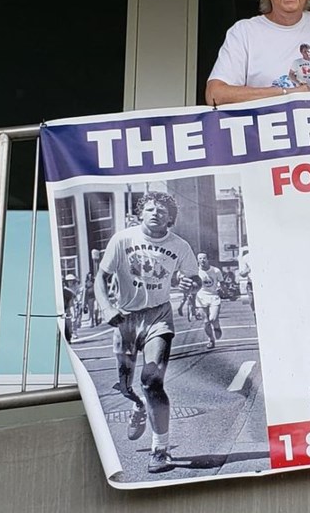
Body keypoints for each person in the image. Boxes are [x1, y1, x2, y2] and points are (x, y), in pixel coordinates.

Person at [94, 191, 201, 474]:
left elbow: (194, 278)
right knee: (128, 385)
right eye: (150, 209)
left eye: (162, 211)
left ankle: (159, 449)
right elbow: (100, 279)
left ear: (170, 219)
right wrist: (106, 308)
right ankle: (138, 405)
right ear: (141, 213)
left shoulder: (180, 246)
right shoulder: (122, 239)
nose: (155, 213)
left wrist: (193, 285)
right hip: (125, 319)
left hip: (158, 317)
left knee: (152, 379)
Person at [193, 253, 225, 350]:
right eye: (200, 258)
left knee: (213, 319)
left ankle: (217, 326)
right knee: (206, 322)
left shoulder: (215, 270)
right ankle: (211, 340)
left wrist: (222, 289)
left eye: (204, 258)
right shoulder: (195, 271)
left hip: (214, 297)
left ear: (207, 259)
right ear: (197, 260)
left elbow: (222, 283)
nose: (202, 260)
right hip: (201, 298)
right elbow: (191, 285)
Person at [62, 273, 79, 342]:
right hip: (65, 306)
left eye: (72, 281)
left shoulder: (74, 289)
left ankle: (74, 332)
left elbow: (75, 298)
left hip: (71, 305)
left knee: (73, 319)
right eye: (69, 281)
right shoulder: (65, 289)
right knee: (67, 321)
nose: (70, 282)